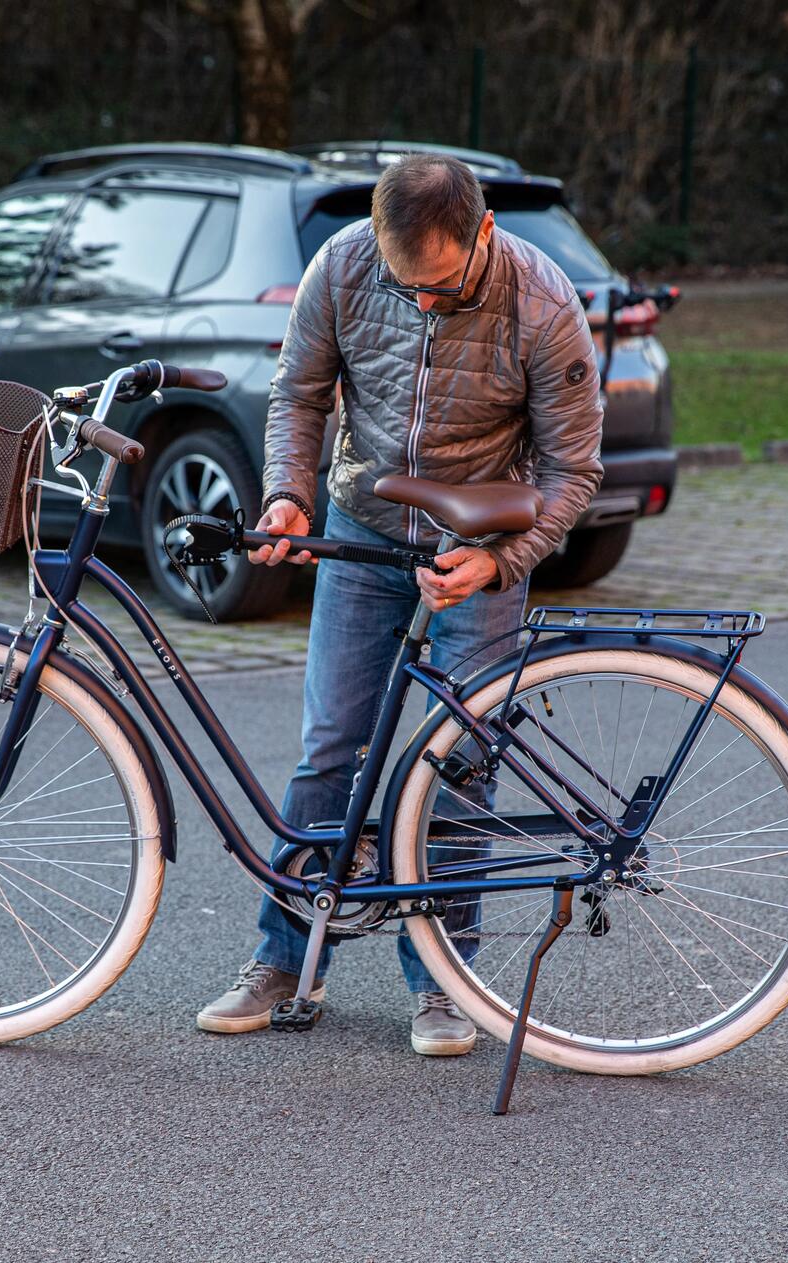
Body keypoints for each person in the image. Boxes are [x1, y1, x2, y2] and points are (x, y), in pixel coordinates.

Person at [194, 154, 604, 1055]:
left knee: (461, 767)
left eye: (443, 286)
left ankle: (445, 982)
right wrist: (287, 495)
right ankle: (281, 955)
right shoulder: (341, 263)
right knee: (329, 748)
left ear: (485, 232)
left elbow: (575, 472)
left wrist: (502, 562)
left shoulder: (542, 302)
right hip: (363, 528)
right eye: (404, 282)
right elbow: (297, 395)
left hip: (479, 546)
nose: (422, 301)